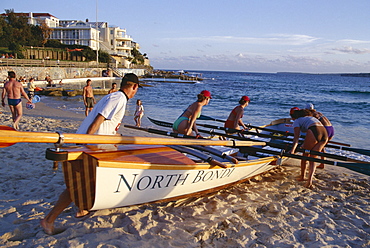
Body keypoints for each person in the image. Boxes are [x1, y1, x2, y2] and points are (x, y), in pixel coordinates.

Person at [40, 73, 141, 235]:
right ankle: (49, 220)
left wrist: (114, 138)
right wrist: (85, 144)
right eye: (137, 89)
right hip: (91, 146)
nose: (136, 93)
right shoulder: (119, 98)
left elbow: (104, 124)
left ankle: (82, 208)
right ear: (134, 87)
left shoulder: (114, 96)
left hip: (95, 145)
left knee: (87, 181)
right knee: (76, 185)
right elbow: (98, 120)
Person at [289, 107, 328, 189]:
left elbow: (296, 138)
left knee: (305, 155)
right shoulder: (309, 118)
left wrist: (292, 151)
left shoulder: (297, 121)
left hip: (315, 130)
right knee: (313, 157)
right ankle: (309, 181)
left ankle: (303, 176)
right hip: (325, 133)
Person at [305, 103, 334, 169]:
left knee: (315, 148)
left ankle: (311, 163)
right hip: (331, 129)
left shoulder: (313, 115)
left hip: (325, 129)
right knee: (322, 147)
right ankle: (322, 164)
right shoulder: (318, 113)